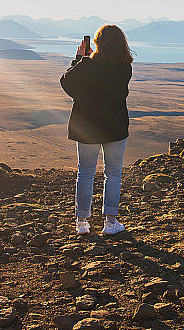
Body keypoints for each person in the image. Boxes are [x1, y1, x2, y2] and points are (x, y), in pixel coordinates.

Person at [60, 24, 133, 236]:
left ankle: (82, 223)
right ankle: (110, 223)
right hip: (115, 127)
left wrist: (79, 59)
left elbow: (66, 82)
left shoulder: (86, 65)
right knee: (113, 173)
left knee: (85, 173)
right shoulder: (125, 67)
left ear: (97, 43)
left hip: (87, 127)